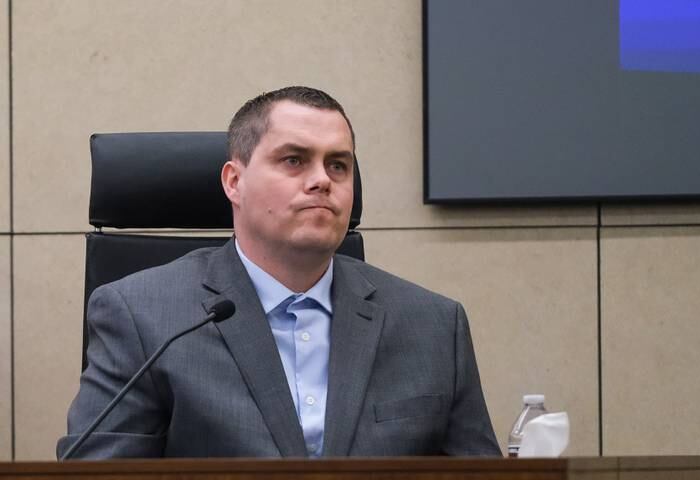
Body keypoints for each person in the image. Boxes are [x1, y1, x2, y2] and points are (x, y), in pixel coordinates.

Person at [57, 86, 500, 458]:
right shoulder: (144, 317)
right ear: (234, 181)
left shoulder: (433, 326)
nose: (322, 180)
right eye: (294, 160)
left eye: (338, 165)